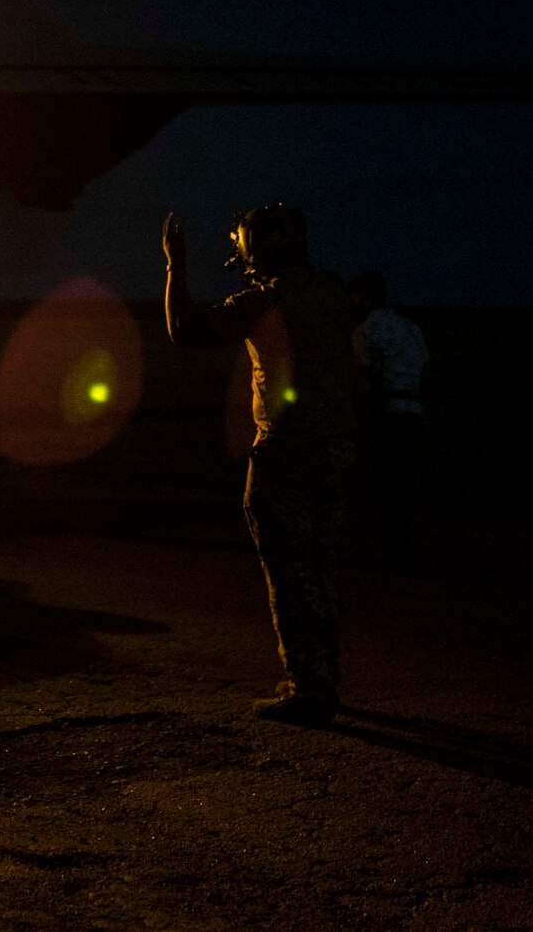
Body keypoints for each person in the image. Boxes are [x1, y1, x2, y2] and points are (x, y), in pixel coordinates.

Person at [164, 203, 356, 726]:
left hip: (286, 451)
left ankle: (309, 690)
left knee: (290, 574)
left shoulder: (260, 302)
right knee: (323, 567)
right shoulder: (336, 292)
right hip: (337, 448)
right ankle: (325, 676)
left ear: (263, 247)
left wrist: (174, 265)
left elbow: (183, 329)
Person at [348, 272, 429, 570]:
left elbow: (364, 379)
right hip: (413, 410)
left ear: (367, 297)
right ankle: (406, 546)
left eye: (354, 297)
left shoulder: (365, 331)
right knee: (404, 481)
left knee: (385, 482)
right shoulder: (411, 329)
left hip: (386, 412)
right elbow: (425, 371)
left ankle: (394, 551)